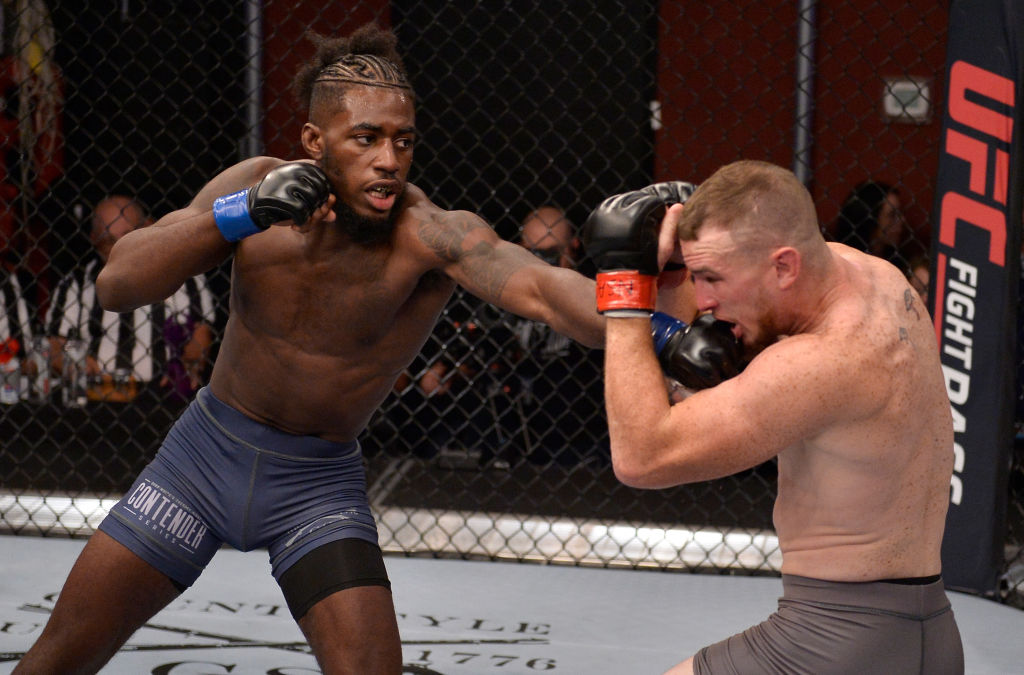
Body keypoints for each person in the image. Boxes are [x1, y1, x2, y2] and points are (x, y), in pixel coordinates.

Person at [14, 24, 610, 674]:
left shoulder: (430, 235)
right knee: (57, 659)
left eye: (402, 141)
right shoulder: (254, 187)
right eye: (366, 138)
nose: (389, 159)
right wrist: (239, 214)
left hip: (315, 486)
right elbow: (117, 282)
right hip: (200, 462)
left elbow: (547, 290)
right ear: (313, 141)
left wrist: (652, 326)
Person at [586, 159, 963, 674]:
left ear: (783, 267)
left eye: (713, 278)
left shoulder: (818, 362)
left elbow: (642, 458)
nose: (706, 301)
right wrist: (675, 273)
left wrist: (626, 290)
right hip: (932, 633)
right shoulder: (877, 277)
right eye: (697, 277)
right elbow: (697, 383)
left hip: (834, 643)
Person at [44, 194, 215, 403]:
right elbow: (54, 346)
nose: (119, 249)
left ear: (149, 227)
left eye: (128, 237)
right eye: (108, 242)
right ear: (93, 240)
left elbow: (201, 338)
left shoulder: (186, 276)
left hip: (164, 397)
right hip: (98, 397)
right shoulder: (77, 284)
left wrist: (189, 362)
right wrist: (74, 363)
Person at [834, 179, 913, 268]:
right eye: (892, 215)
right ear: (870, 218)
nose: (902, 220)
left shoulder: (900, 261)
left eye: (900, 213)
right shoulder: (843, 260)